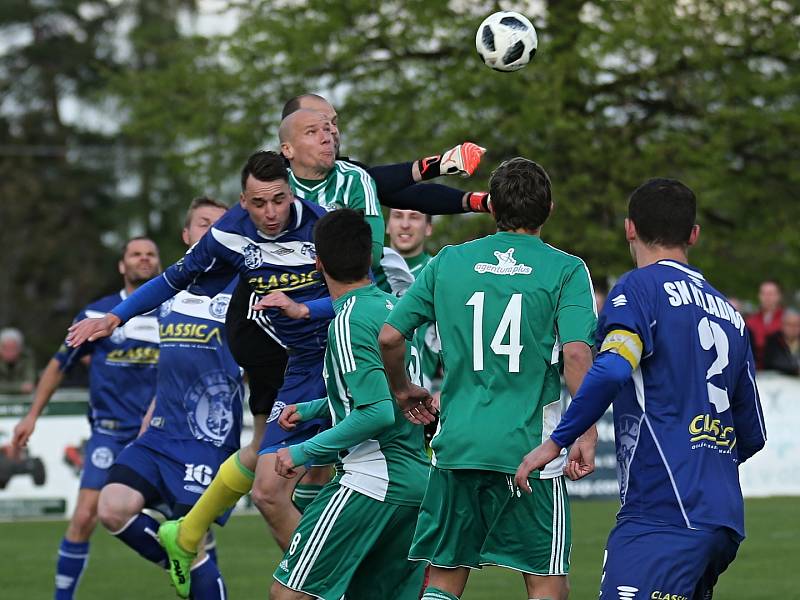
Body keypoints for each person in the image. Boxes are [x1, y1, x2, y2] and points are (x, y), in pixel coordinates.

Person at [65, 151, 332, 596]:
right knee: (270, 491)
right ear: (242, 200)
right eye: (257, 203)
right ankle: (317, 583)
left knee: (311, 481)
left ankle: (320, 580)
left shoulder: (321, 229)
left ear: (292, 192)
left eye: (279, 201)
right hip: (277, 376)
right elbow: (172, 279)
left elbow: (359, 291)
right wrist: (116, 318)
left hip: (328, 362)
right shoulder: (228, 235)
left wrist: (306, 307)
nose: (270, 213)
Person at [515, 178, 767, 599]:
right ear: (693, 235)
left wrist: (557, 440)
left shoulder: (638, 290)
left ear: (629, 228)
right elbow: (753, 432)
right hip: (721, 516)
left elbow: (613, 370)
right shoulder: (731, 313)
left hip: (662, 513)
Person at [379, 157, 598, 600]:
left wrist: (402, 389)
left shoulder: (448, 262)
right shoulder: (567, 269)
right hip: (530, 452)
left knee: (444, 578)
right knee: (545, 581)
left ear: (493, 208)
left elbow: (388, 337)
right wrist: (586, 430)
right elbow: (576, 352)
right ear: (549, 208)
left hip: (457, 446)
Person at [270, 208, 430, 600]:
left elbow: (377, 411)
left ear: (318, 262)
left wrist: (303, 451)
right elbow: (386, 392)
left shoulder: (348, 320)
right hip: (416, 483)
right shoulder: (393, 311)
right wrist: (312, 409)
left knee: (288, 595)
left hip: (371, 479)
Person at [95, 198, 238, 599]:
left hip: (205, 440)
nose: (212, 233)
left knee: (197, 539)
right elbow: (173, 362)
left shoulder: (241, 288)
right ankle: (183, 559)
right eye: (204, 224)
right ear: (187, 234)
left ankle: (190, 561)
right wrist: (153, 411)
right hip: (158, 435)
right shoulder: (172, 289)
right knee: (112, 507)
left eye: (221, 226)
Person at [12, 237, 161, 600]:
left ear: (159, 264)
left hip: (160, 436)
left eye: (150, 254)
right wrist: (32, 415)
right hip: (110, 435)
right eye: (135, 254)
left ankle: (194, 574)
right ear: (122, 266)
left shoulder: (175, 312)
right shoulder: (97, 314)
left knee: (191, 521)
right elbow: (58, 364)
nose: (143, 259)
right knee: (82, 519)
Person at [746, 279, 783, 369]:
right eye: (764, 294)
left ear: (779, 296)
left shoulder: (788, 321)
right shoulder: (750, 322)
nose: (767, 297)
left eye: (771, 294)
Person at [763, 307, 800, 375]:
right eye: (789, 324)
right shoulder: (773, 340)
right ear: (782, 325)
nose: (793, 328)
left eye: (796, 325)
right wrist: (795, 369)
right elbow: (772, 362)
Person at [0, 327, 36, 394]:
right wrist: (19, 388)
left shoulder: (26, 359)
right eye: (6, 348)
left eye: (13, 348)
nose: (10, 352)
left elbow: (29, 384)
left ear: (19, 349)